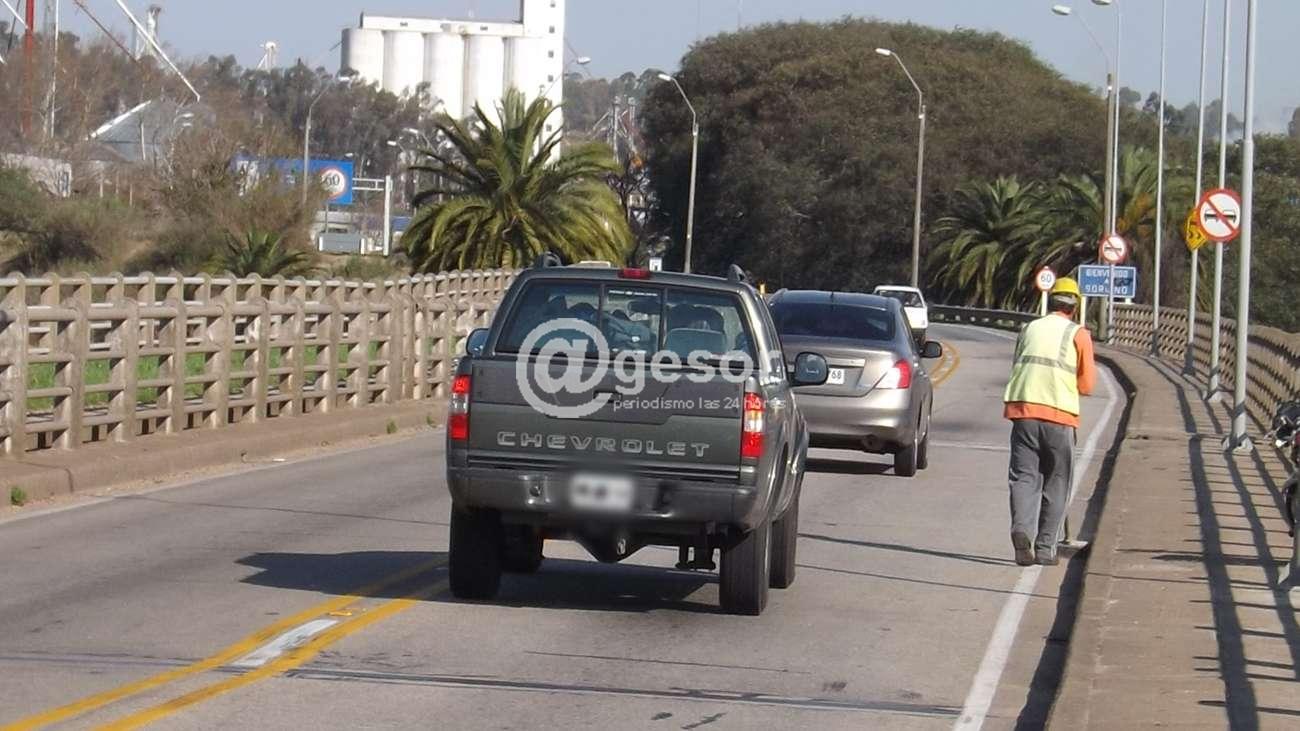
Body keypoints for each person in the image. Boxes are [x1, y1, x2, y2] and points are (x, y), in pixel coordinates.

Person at [1002, 277, 1096, 566]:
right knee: (1057, 481)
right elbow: (1087, 385)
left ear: (1051, 301)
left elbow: (1018, 364)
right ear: (1074, 306)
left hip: (1023, 412)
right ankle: (1045, 548)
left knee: (1023, 477)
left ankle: (1021, 528)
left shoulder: (1028, 328)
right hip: (1059, 416)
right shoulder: (1078, 334)